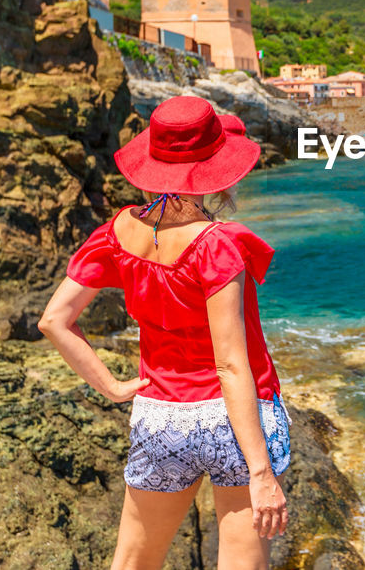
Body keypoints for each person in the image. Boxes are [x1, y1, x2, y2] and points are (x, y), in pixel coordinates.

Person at [38, 96, 291, 570]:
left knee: (134, 562)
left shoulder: (117, 232)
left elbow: (54, 320)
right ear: (215, 170)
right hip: (235, 423)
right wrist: (261, 471)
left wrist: (111, 387)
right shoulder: (216, 246)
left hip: (161, 417)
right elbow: (231, 364)